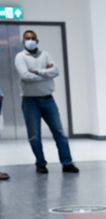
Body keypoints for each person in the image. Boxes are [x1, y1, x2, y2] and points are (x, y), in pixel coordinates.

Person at [14, 30, 77, 175]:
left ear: (37, 40)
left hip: (48, 100)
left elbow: (56, 71)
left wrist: (37, 71)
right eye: (27, 38)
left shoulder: (46, 54)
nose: (30, 40)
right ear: (24, 41)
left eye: (33, 38)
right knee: (34, 136)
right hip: (30, 102)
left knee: (60, 133)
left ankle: (67, 163)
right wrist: (46, 73)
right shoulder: (20, 57)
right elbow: (25, 76)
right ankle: (41, 164)